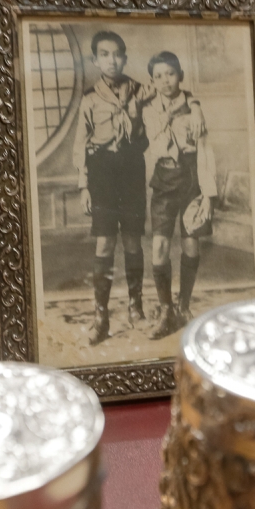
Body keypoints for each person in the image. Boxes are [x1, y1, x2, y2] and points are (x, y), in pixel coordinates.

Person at [72, 31, 149, 345]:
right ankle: (100, 316)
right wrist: (84, 186)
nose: (112, 60)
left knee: (132, 241)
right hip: (101, 171)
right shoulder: (90, 99)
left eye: (117, 54)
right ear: (95, 60)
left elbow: (146, 139)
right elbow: (80, 145)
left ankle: (136, 306)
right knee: (104, 243)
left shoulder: (141, 92)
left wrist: (134, 119)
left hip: (131, 169)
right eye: (104, 54)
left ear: (125, 58)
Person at [142, 51, 216, 340]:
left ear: (180, 76)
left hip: (190, 182)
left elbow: (206, 153)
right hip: (163, 181)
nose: (165, 80)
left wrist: (208, 196)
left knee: (190, 247)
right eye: (158, 76)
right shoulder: (147, 108)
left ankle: (184, 307)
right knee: (159, 247)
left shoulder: (194, 111)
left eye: (170, 74)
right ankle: (166, 310)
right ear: (152, 80)